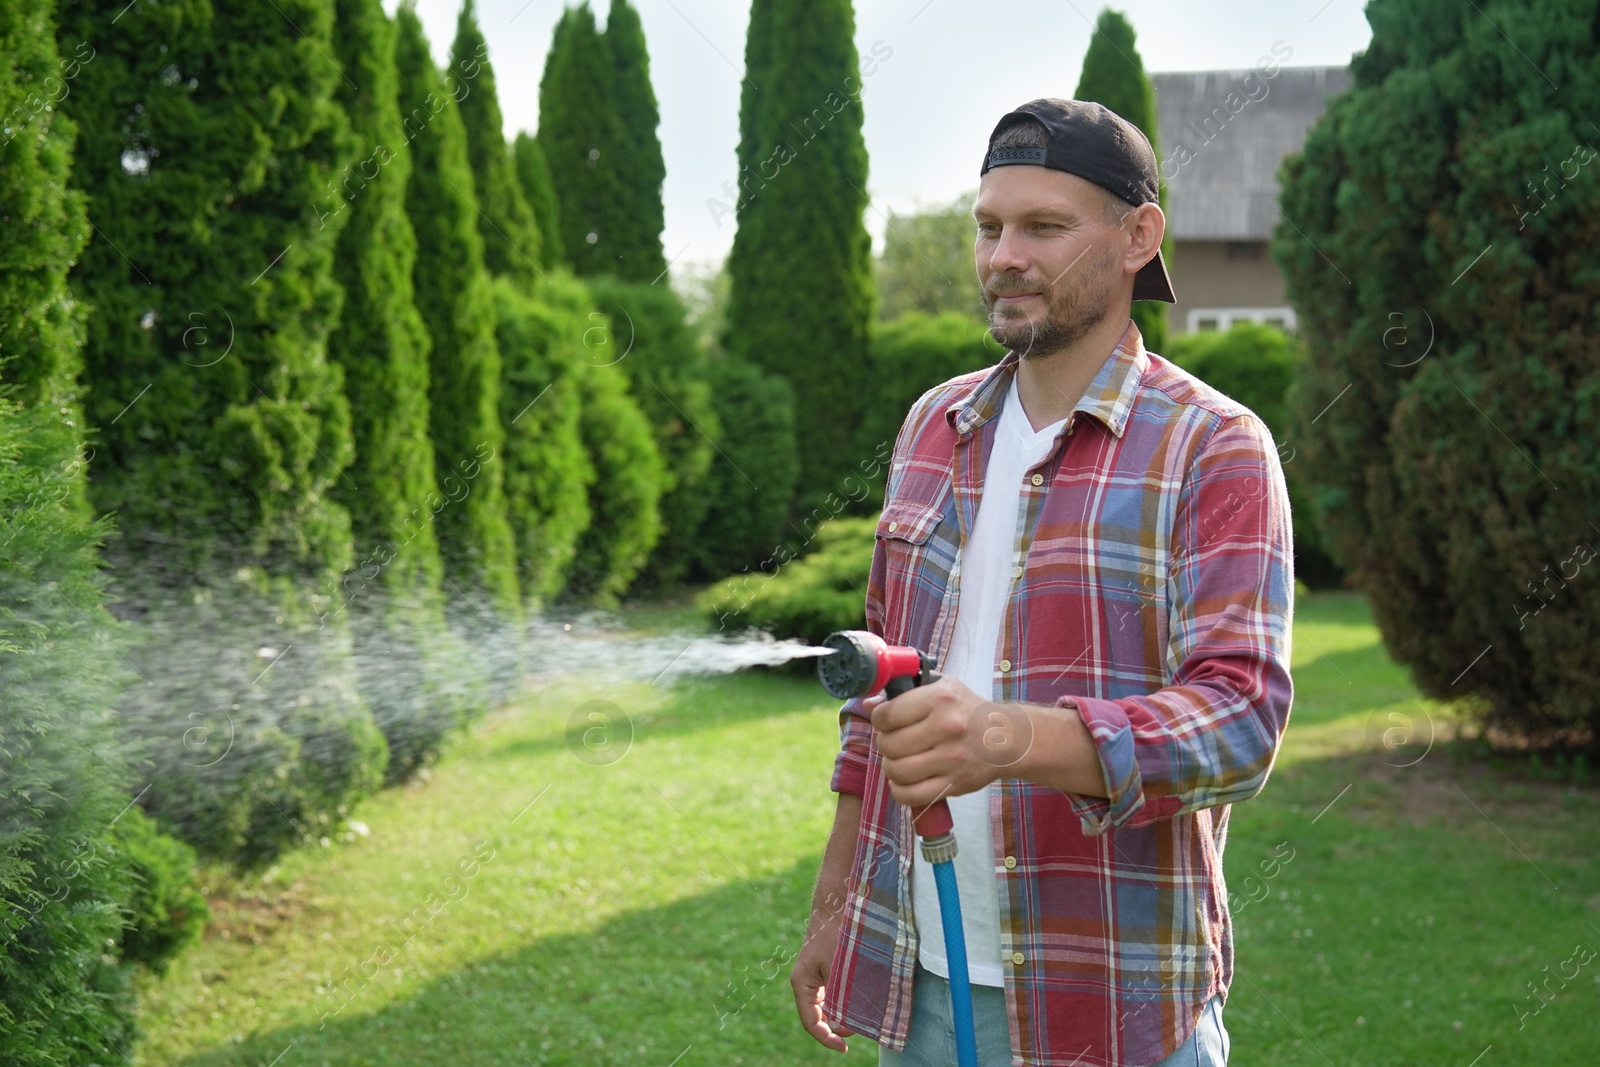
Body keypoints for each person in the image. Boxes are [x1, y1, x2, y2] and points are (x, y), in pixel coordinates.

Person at [788, 98, 1295, 1067]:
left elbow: (1240, 723)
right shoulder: (932, 426)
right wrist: (832, 909)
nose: (1002, 255)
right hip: (922, 980)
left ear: (1138, 236)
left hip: (1113, 998)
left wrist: (1009, 736)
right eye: (988, 226)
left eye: (1043, 227)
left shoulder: (1213, 446)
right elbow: (875, 703)